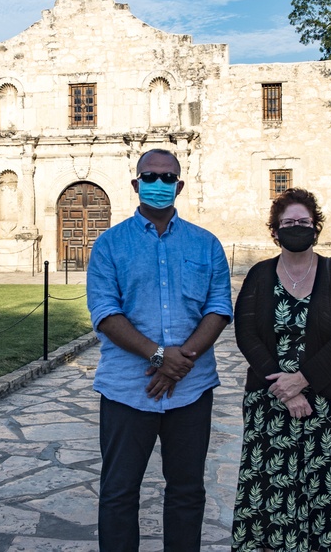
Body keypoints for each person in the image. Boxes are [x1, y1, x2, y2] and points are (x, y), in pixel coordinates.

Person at [87, 148, 233, 551]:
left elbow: (219, 307)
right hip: (127, 389)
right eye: (149, 177)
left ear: (179, 185)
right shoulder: (110, 245)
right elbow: (105, 311)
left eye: (167, 178)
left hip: (191, 389)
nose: (158, 184)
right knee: (118, 492)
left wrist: (178, 363)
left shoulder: (206, 244)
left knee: (187, 491)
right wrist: (157, 355)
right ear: (136, 185)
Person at [231, 188, 331, 552]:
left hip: (329, 407)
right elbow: (245, 333)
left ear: (316, 228)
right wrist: (284, 388)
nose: (296, 228)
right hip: (270, 406)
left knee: (326, 496)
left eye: (303, 223)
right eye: (288, 223)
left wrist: (302, 382)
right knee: (270, 493)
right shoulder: (259, 276)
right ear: (274, 231)